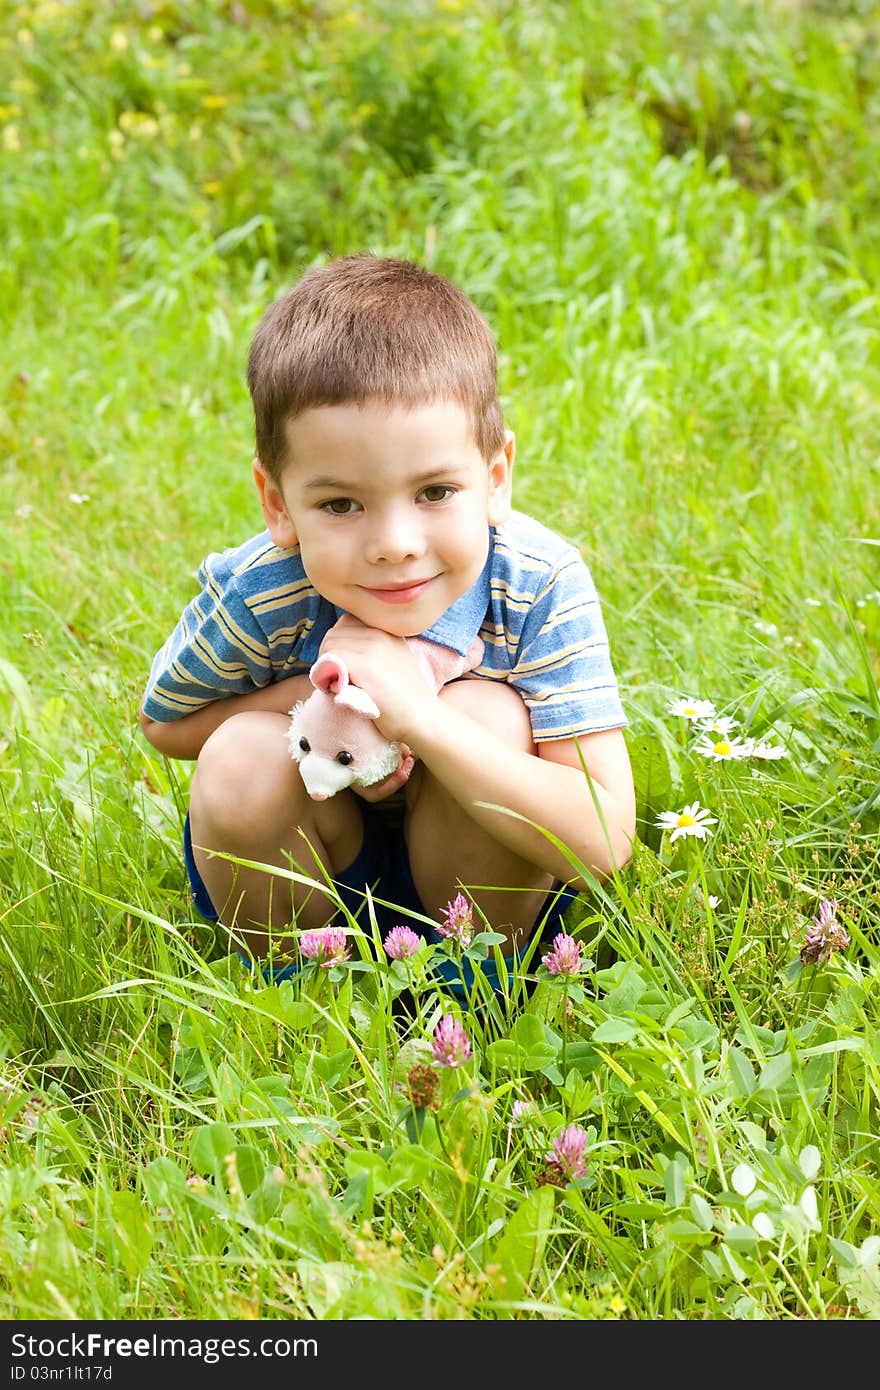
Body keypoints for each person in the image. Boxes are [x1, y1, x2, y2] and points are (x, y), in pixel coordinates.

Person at [140, 253, 635, 992]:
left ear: (495, 479)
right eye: (341, 504)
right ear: (277, 504)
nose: (395, 542)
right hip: (315, 856)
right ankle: (298, 996)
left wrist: (419, 716)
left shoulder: (539, 584)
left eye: (435, 490)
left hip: (481, 867)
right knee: (240, 756)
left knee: (489, 714)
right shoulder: (264, 590)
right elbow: (166, 727)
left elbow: (603, 839)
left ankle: (471, 987)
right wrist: (315, 694)